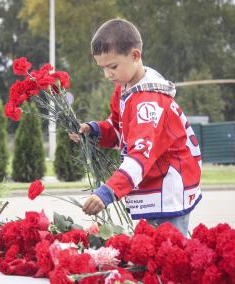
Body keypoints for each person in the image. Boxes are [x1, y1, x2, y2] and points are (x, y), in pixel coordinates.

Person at [69, 18, 202, 237]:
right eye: (102, 68)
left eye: (112, 67)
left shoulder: (148, 102)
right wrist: (94, 131)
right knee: (152, 251)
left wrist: (107, 193)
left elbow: (139, 156)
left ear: (135, 55)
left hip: (168, 188)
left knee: (169, 254)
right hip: (153, 182)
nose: (108, 75)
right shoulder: (125, 88)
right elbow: (117, 128)